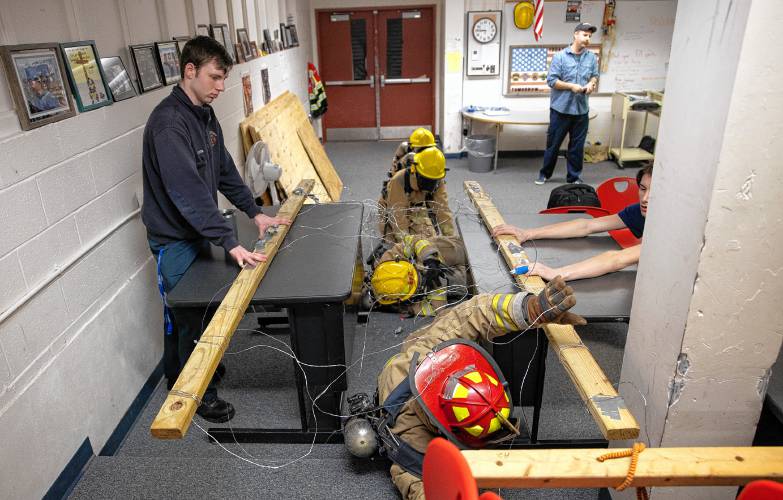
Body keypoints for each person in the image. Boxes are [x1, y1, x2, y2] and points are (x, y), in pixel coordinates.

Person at [141, 36, 290, 423]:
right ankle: (192, 391)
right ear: (190, 71)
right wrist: (228, 242)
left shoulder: (203, 115)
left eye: (224, 78)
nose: (220, 87)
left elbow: (223, 167)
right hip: (175, 241)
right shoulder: (169, 124)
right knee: (186, 316)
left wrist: (254, 212)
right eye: (215, 77)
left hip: (198, 232)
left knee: (203, 312)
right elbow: (186, 193)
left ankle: (198, 371)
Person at [368, 277, 585, 499]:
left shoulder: (436, 350)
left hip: (417, 354)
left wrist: (531, 309)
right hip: (399, 388)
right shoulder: (408, 431)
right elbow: (415, 482)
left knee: (447, 320)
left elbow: (475, 312)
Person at [494, 164, 652, 281]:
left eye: (654, 191)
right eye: (643, 188)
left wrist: (555, 273)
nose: (645, 199)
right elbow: (587, 225)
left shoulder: (668, 231)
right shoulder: (639, 211)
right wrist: (528, 233)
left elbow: (617, 259)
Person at [536, 22, 600, 185]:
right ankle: (545, 174)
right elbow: (551, 81)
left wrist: (591, 84)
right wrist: (571, 86)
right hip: (561, 110)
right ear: (575, 35)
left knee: (577, 147)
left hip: (581, 111)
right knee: (553, 145)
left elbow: (594, 76)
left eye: (590, 36)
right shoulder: (560, 57)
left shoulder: (592, 58)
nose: (588, 39)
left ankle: (574, 177)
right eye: (585, 35)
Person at [367, 234, 467, 317]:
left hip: (454, 248)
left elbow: (412, 240)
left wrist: (429, 257)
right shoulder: (435, 286)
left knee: (453, 250)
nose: (419, 279)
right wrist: (408, 308)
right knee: (461, 282)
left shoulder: (388, 260)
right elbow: (437, 309)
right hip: (460, 279)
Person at [378, 146, 456, 244]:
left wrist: (450, 239)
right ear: (415, 170)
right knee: (394, 246)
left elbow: (443, 210)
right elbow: (398, 216)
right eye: (426, 179)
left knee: (428, 239)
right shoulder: (399, 180)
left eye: (433, 180)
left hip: (416, 205)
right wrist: (407, 244)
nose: (430, 185)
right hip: (390, 209)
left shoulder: (437, 179)